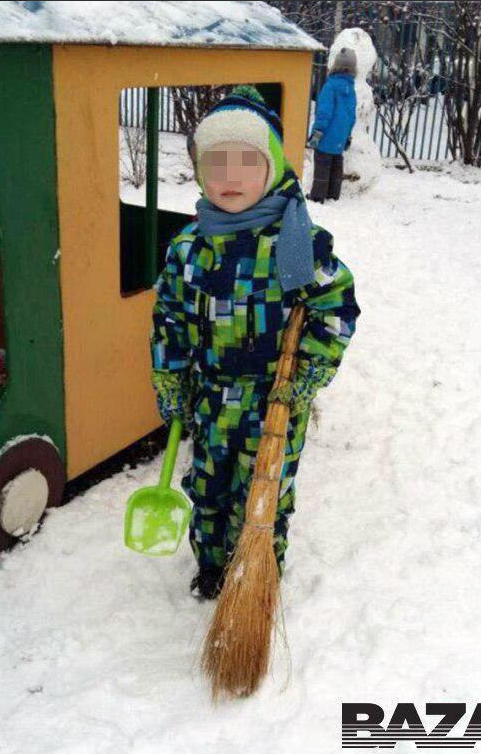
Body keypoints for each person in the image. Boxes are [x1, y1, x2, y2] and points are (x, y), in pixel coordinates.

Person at [150, 86, 361, 600]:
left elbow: (335, 309)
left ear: (272, 167)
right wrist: (171, 377)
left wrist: (306, 376)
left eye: (247, 161)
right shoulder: (189, 247)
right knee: (207, 487)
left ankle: (258, 574)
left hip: (274, 402)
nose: (230, 176)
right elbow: (170, 319)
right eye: (216, 162)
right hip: (210, 398)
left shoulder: (292, 242)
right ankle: (212, 568)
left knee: (263, 493)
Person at [307, 47, 357, 203]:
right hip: (341, 135)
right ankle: (333, 195)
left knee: (322, 164)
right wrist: (347, 134)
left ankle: (317, 196)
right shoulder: (351, 89)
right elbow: (351, 115)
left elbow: (324, 113)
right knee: (336, 163)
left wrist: (317, 132)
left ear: (335, 65)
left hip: (326, 134)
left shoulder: (330, 86)